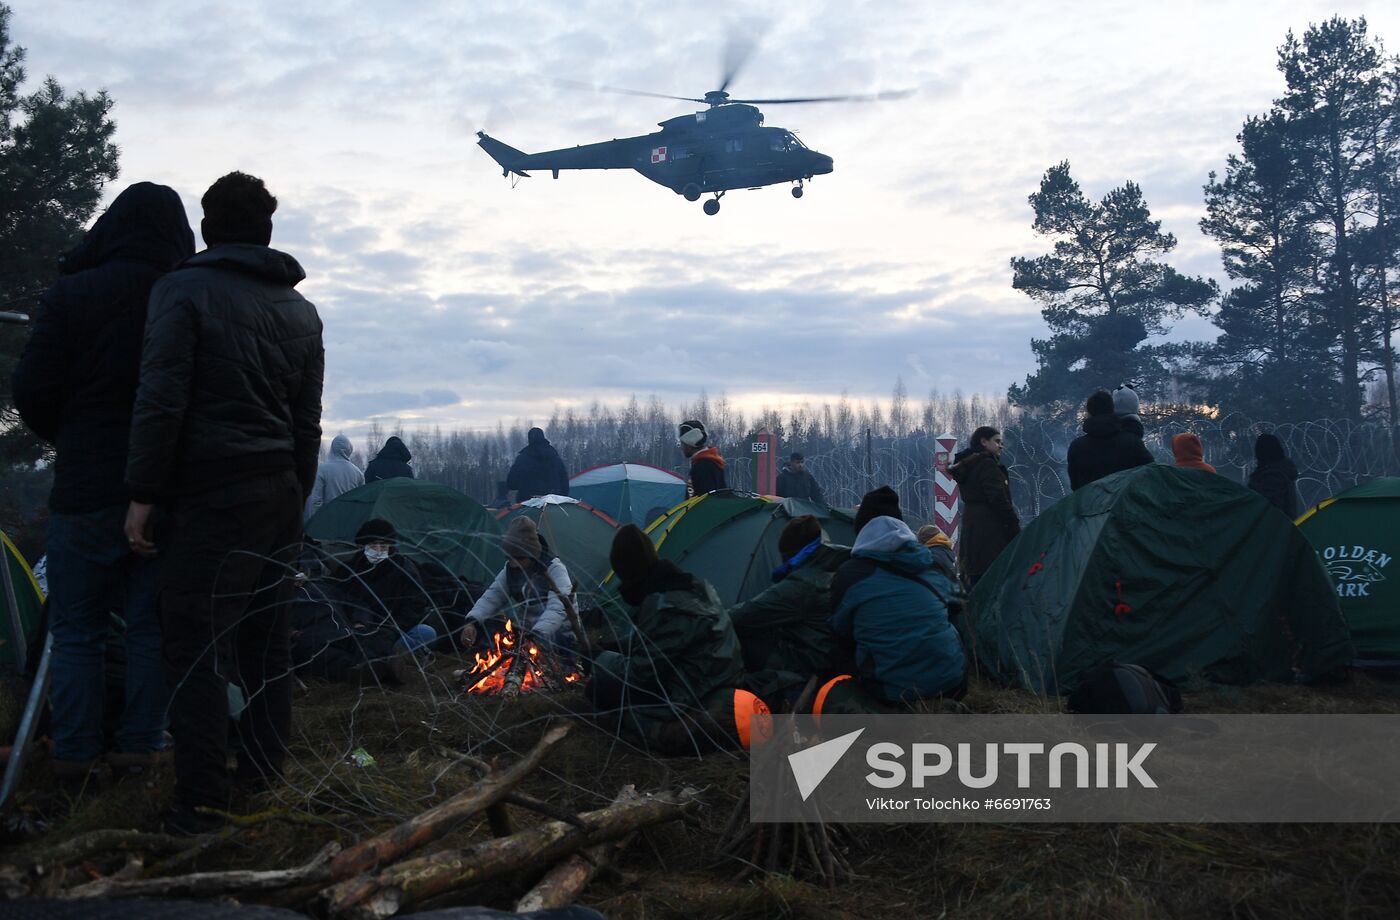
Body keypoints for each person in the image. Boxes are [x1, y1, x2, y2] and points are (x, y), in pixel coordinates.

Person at [124, 171, 324, 835]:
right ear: (265, 230)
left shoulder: (180, 290)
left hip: (212, 492)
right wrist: (295, 494)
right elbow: (306, 424)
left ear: (208, 228)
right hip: (280, 489)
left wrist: (143, 493)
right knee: (267, 644)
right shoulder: (301, 311)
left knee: (195, 645)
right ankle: (262, 779)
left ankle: (201, 805)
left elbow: (161, 398)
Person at [12, 182, 194, 783]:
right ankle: (141, 751)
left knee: (76, 630)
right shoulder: (182, 293)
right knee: (149, 628)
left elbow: (32, 389)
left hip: (85, 487)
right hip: (162, 489)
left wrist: (73, 437)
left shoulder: (73, 292)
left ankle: (73, 754)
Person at [587, 524, 755, 754]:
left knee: (600, 691)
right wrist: (618, 647)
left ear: (628, 573)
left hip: (698, 698)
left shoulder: (664, 607)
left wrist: (598, 658)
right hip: (721, 683)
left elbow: (640, 674)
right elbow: (664, 642)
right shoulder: (693, 588)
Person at [829, 487, 966, 707]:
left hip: (890, 692)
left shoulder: (849, 575)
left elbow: (840, 630)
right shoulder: (933, 564)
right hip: (952, 683)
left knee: (837, 648)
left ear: (861, 531)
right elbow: (958, 607)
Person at [726, 515, 849, 689]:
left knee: (732, 635)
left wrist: (709, 615)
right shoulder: (832, 566)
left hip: (807, 664)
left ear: (789, 555)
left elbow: (744, 614)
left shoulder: (804, 583)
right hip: (829, 658)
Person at [459, 517, 574, 655]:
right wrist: (472, 621)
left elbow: (558, 609)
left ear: (532, 554)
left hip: (559, 633)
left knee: (555, 643)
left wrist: (537, 635)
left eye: (520, 558)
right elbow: (492, 597)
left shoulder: (555, 568)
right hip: (528, 632)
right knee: (492, 628)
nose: (514, 564)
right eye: (510, 558)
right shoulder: (510, 569)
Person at [948, 426, 1021, 589]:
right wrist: (1013, 524)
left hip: (972, 528)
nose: (1001, 446)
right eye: (997, 441)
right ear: (984, 442)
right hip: (991, 531)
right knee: (995, 579)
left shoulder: (969, 467)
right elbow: (998, 498)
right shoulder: (987, 465)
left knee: (976, 578)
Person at [1066, 390, 1154, 490]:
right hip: (1126, 499)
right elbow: (1152, 473)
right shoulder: (1132, 442)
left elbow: (1075, 486)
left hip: (1091, 500)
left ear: (1089, 412)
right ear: (1113, 409)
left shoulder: (1077, 447)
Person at [304, 433, 364, 522]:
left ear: (332, 448)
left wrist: (312, 523)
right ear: (349, 449)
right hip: (349, 521)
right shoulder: (358, 473)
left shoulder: (322, 470)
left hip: (327, 521)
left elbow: (316, 501)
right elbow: (361, 501)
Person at [506, 427, 570, 501]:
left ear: (529, 439)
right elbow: (564, 483)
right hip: (552, 502)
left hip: (527, 502)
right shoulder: (554, 457)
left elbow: (512, 484)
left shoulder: (522, 459)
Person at [1247, 433, 1299, 518]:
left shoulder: (1271, 476)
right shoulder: (1282, 471)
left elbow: (1268, 508)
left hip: (1270, 524)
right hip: (1284, 524)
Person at [678, 419, 726, 496]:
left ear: (689, 442)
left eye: (682, 443)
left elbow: (703, 499)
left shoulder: (702, 466)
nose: (681, 447)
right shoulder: (712, 462)